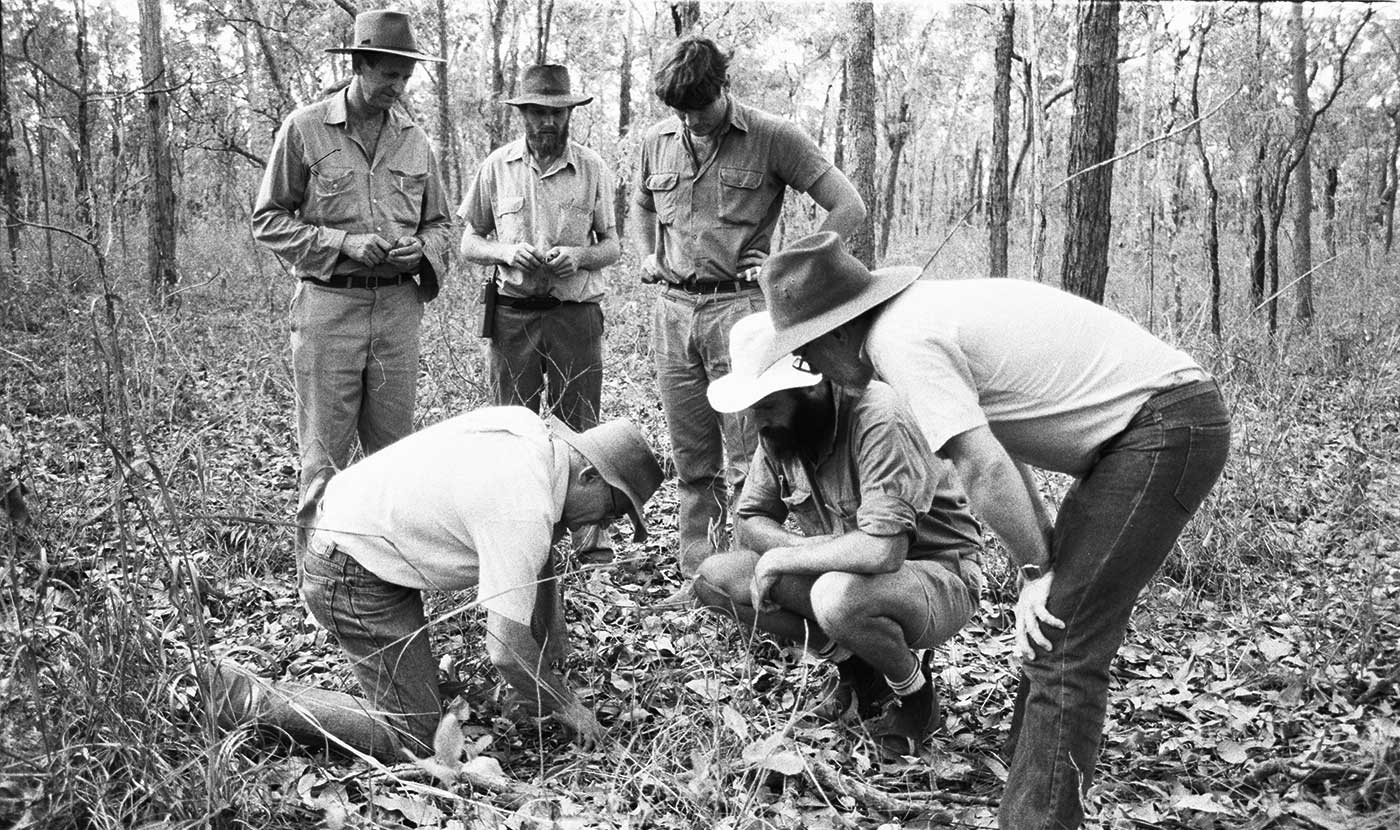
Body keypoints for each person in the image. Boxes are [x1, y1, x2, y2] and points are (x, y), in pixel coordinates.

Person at [758, 232, 1232, 829]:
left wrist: (1036, 572)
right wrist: (1041, 564)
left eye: (807, 355)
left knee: (1066, 633)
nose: (814, 370)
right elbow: (1002, 456)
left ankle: (1037, 816)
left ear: (833, 331)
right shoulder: (915, 319)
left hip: (1164, 425)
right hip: (1145, 430)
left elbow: (979, 467)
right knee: (1056, 618)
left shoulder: (901, 341)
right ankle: (1030, 768)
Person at [197, 408, 665, 761]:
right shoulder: (523, 506)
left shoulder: (529, 434)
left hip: (359, 540)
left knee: (427, 709)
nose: (608, 522)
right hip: (348, 570)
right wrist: (568, 705)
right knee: (416, 737)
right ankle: (236, 694)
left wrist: (551, 659)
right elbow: (505, 648)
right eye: (613, 507)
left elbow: (540, 556)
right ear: (588, 474)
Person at [633, 36, 866, 601]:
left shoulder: (773, 136)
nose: (691, 120)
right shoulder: (657, 141)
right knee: (693, 461)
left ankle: (752, 583)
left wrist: (790, 265)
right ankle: (702, 582)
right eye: (679, 111)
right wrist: (646, 253)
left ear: (724, 88)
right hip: (673, 311)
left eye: (700, 107)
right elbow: (642, 204)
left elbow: (849, 205)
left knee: (748, 460)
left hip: (740, 310)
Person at [695, 313, 984, 753]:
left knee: (837, 595)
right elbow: (750, 517)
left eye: (768, 406)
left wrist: (782, 558)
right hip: (847, 571)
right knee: (717, 578)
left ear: (810, 387)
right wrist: (800, 549)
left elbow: (883, 552)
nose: (758, 423)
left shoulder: (878, 416)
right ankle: (860, 671)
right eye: (755, 409)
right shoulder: (783, 429)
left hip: (935, 576)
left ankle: (916, 696)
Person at [252, 10, 453, 507]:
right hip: (328, 312)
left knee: (395, 464)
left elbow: (442, 225)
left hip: (397, 313)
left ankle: (390, 582)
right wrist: (344, 244)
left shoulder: (415, 139)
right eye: (389, 74)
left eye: (407, 77)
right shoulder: (304, 129)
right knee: (324, 465)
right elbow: (268, 220)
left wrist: (420, 250)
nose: (400, 87)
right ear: (359, 65)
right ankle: (317, 583)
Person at [459, 64, 620, 562]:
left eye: (554, 112)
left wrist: (580, 256)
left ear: (569, 113)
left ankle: (590, 532)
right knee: (514, 427)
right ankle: (519, 528)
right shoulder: (496, 166)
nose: (545, 122)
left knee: (581, 423)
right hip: (513, 316)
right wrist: (507, 253)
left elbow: (612, 244)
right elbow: (469, 240)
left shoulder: (592, 167)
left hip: (575, 314)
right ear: (521, 114)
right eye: (534, 112)